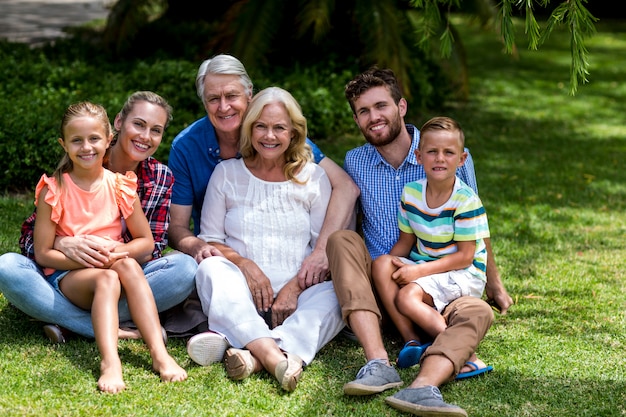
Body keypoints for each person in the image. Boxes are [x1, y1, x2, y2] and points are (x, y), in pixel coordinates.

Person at [327, 68, 513, 416]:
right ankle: (379, 362)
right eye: (363, 111)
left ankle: (425, 382)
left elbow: (475, 230)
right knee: (341, 240)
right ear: (355, 119)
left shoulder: (445, 154)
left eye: (380, 106)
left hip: (443, 280)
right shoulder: (355, 161)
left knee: (478, 312)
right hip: (382, 282)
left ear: (401, 106)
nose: (373, 117)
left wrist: (495, 283)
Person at [165, 53, 359, 337]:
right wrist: (202, 248)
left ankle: (249, 340)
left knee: (331, 287)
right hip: (226, 258)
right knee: (203, 271)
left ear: (249, 95)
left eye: (232, 95)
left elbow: (346, 186)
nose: (224, 107)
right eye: (213, 99)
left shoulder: (277, 131)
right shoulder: (187, 146)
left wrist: (321, 254)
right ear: (204, 102)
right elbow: (178, 226)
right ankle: (256, 337)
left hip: (293, 265)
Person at [0, 91, 197, 343]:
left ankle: (68, 321)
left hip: (124, 271)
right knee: (7, 267)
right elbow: (33, 237)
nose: (145, 136)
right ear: (118, 123)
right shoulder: (83, 159)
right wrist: (63, 242)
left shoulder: (160, 177)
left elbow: (153, 247)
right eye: (138, 124)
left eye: (155, 130)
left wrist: (110, 255)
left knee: (185, 269)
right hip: (69, 274)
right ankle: (106, 326)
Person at [188, 87, 344, 391]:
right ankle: (279, 357)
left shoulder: (313, 177)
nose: (269, 136)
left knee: (338, 292)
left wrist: (294, 288)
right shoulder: (226, 173)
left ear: (294, 133)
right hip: (240, 291)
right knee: (210, 269)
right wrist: (243, 264)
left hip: (298, 295)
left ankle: (254, 355)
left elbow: (318, 251)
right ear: (249, 129)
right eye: (260, 126)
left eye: (279, 128)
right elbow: (210, 239)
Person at [32, 101, 187, 393]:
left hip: (114, 265)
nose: (86, 147)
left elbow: (145, 241)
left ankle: (159, 354)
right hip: (70, 276)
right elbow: (43, 253)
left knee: (127, 265)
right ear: (63, 144)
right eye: (76, 140)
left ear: (107, 139)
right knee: (106, 276)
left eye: (94, 139)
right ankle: (110, 362)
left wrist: (114, 253)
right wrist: (90, 260)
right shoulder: (54, 190)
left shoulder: (120, 185)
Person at [372, 116, 492, 372]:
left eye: (449, 153)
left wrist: (416, 272)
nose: (440, 158)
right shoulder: (411, 193)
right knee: (382, 264)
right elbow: (406, 243)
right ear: (418, 156)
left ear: (461, 160)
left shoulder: (465, 201)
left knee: (406, 297)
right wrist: (385, 273)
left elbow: (465, 257)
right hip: (428, 268)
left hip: (462, 272)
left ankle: (465, 354)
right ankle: (412, 341)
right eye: (432, 152)